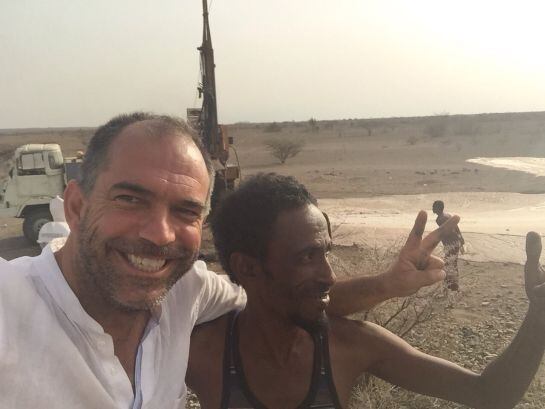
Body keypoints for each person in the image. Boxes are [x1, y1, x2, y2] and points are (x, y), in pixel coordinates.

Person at [0, 112, 457, 409]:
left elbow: (284, 295)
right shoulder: (10, 307)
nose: (160, 234)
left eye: (185, 211)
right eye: (130, 199)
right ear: (76, 207)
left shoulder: (186, 291)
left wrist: (389, 285)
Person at [187, 173, 545, 409]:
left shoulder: (348, 345)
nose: (329, 275)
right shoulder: (203, 352)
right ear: (248, 267)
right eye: (307, 257)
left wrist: (539, 317)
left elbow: (491, 393)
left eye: (326, 251)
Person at [432, 200, 465, 291]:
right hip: (455, 243)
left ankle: (451, 286)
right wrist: (461, 241)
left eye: (434, 207)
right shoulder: (448, 215)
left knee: (450, 264)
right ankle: (452, 285)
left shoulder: (440, 219)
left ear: (438, 208)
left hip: (450, 244)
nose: (432, 208)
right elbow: (457, 228)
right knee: (452, 264)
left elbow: (445, 233)